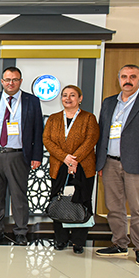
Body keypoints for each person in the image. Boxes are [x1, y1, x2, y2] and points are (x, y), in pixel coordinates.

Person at [95, 64, 139, 266]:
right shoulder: (109, 102)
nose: (128, 80)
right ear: (118, 79)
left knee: (138, 209)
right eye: (124, 76)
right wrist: (100, 163)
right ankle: (119, 244)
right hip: (110, 163)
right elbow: (102, 133)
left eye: (133, 77)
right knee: (114, 208)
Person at [0, 67, 44, 246]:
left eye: (15, 79)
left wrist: (37, 156)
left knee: (18, 195)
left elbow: (38, 129)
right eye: (7, 79)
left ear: (20, 81)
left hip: (18, 156)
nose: (11, 83)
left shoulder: (32, 101)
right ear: (2, 81)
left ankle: (21, 231)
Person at [42, 85, 99, 255]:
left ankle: (78, 241)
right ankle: (61, 239)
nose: (68, 98)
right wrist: (65, 158)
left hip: (83, 168)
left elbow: (91, 139)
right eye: (65, 95)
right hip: (59, 167)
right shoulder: (53, 118)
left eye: (72, 95)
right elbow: (47, 140)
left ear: (80, 99)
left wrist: (74, 159)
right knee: (58, 200)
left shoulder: (89, 118)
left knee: (82, 201)